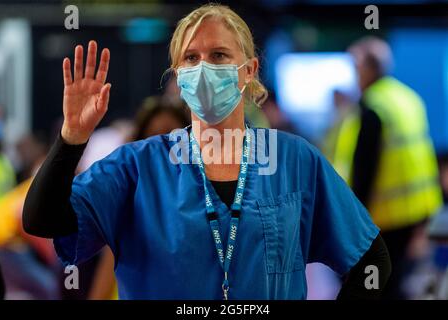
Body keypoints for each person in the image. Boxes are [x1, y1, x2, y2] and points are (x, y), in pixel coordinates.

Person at [23, 4, 390, 300]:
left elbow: (371, 261)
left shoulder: (293, 159)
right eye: (191, 58)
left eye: (218, 55)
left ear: (248, 71)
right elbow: (42, 221)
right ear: (178, 76)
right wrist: (71, 137)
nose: (203, 69)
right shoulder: (137, 167)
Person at [346, 36, 442, 299]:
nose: (354, 75)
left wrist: (355, 215)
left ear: (367, 68)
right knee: (398, 278)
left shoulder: (374, 106)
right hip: (416, 210)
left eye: (355, 67)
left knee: (380, 285)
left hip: (384, 215)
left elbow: (365, 167)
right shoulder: (407, 97)